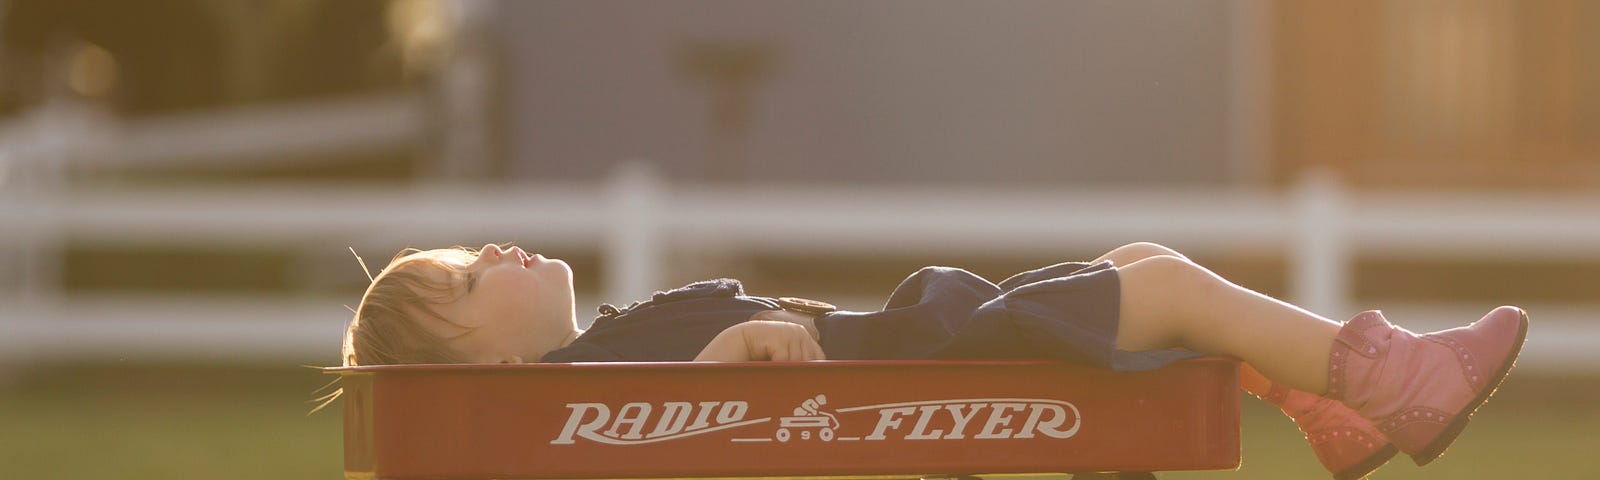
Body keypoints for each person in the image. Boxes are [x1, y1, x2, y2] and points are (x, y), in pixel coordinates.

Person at [342, 241, 1527, 480]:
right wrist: (724, 349)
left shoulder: (594, 367)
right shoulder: (580, 400)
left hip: (911, 350)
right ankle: (1392, 383)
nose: (488, 252)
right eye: (460, 281)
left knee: (1140, 273)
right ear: (473, 365)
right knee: (1160, 284)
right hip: (916, 364)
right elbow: (668, 415)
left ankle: (1331, 404)